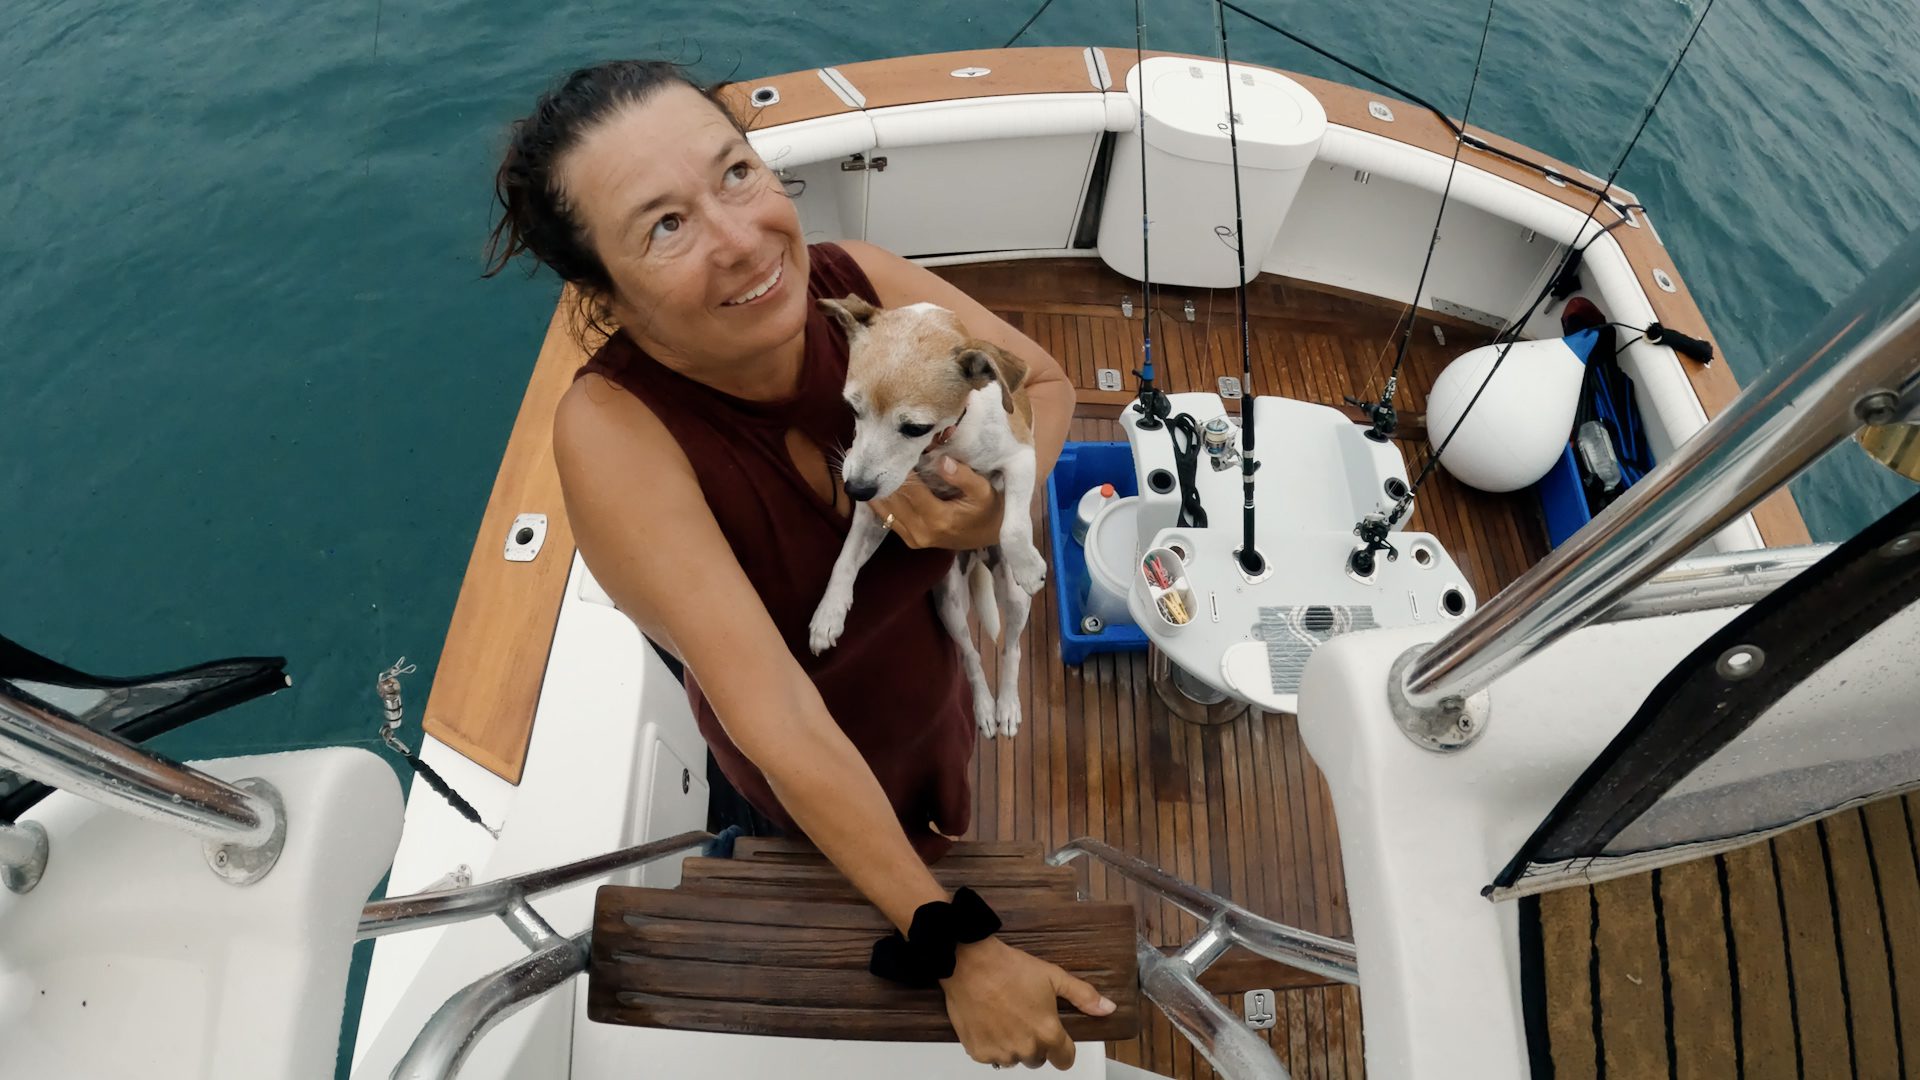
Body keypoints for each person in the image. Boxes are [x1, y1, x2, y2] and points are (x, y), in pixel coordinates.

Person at [484, 60, 1105, 1070]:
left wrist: (998, 506)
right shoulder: (616, 435)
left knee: (948, 795)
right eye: (665, 227)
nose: (742, 242)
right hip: (798, 769)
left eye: (735, 173)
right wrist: (953, 947)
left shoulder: (859, 284)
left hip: (931, 682)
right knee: (814, 864)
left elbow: (1039, 375)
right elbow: (772, 712)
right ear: (603, 287)